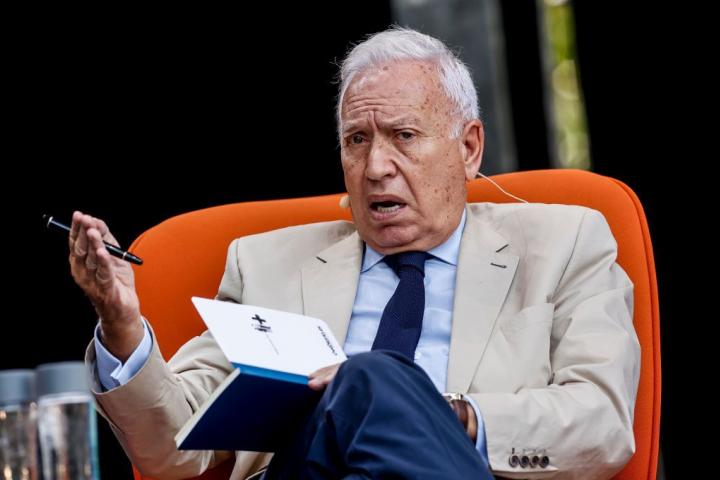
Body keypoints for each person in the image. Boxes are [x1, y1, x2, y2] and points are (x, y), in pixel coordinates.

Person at [70, 27, 640, 479]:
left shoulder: (563, 244)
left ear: (468, 148)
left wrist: (447, 414)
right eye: (357, 140)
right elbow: (173, 446)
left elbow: (602, 421)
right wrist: (122, 327)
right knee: (369, 379)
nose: (375, 168)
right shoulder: (267, 266)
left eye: (404, 136)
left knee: (371, 378)